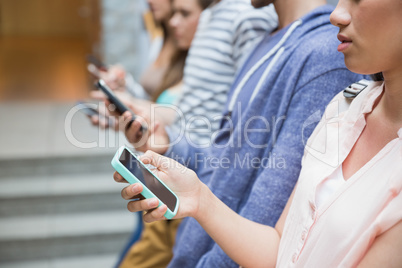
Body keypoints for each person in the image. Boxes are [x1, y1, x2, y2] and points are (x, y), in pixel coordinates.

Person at [116, 0, 402, 266]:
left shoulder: (325, 56)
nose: (336, 14)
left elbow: (263, 205)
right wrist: (198, 196)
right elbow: (282, 247)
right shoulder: (345, 105)